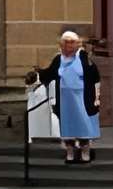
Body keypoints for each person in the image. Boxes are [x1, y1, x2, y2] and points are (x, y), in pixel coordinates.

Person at [39, 28, 101, 165]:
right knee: (67, 127)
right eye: (66, 43)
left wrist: (96, 97)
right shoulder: (58, 59)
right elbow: (49, 74)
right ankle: (70, 152)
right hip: (64, 99)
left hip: (82, 98)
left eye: (72, 43)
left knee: (84, 125)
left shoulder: (84, 59)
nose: (69, 46)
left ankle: (85, 152)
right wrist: (38, 74)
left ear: (77, 44)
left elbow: (94, 77)